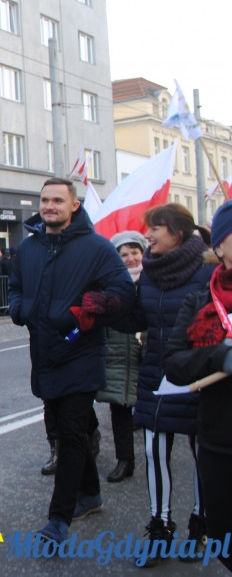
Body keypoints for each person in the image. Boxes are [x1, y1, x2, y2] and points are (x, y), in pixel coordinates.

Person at [8, 178, 134, 544]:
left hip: (81, 351)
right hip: (44, 353)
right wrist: (21, 310)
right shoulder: (28, 247)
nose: (49, 206)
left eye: (58, 200)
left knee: (70, 433)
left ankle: (58, 519)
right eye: (45, 200)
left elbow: (123, 291)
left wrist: (88, 309)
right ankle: (90, 494)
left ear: (74, 205)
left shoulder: (96, 247)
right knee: (71, 427)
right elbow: (15, 288)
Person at [116, 203, 213, 565]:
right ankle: (160, 528)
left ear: (177, 232)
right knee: (154, 451)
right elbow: (139, 319)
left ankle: (201, 526)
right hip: (157, 372)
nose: (148, 236)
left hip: (199, 373)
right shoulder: (150, 271)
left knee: (201, 453)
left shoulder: (208, 269)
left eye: (155, 229)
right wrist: (112, 308)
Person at [163, 199, 232, 572]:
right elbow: (174, 364)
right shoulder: (199, 302)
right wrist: (219, 354)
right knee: (224, 537)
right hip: (221, 440)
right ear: (219, 246)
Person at [99, 231, 147, 483]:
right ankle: (125, 460)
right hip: (117, 352)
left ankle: (158, 456)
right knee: (119, 407)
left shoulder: (153, 279)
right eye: (124, 254)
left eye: (134, 252)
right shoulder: (109, 283)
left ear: (142, 253)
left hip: (146, 352)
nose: (130, 258)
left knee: (153, 410)